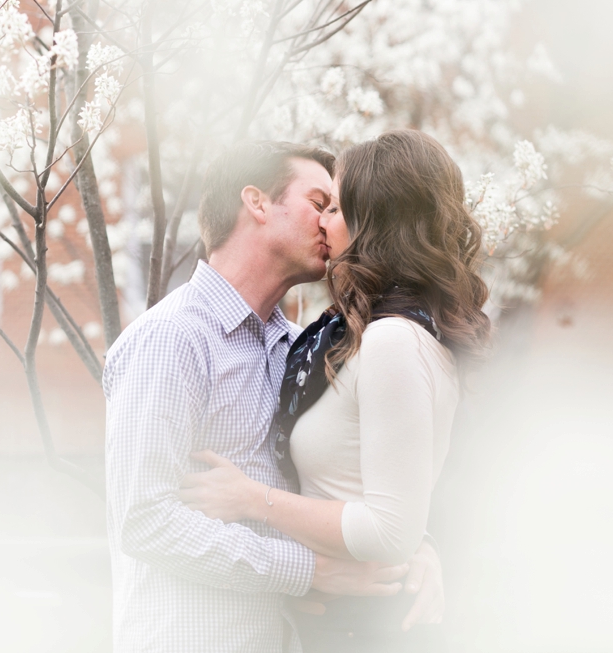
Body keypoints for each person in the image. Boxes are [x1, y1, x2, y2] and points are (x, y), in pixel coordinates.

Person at [103, 140, 445, 653]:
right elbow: (145, 521)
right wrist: (309, 571)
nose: (332, 222)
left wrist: (412, 550)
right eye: (319, 203)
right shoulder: (172, 339)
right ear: (258, 203)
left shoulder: (297, 347)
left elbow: (330, 483)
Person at [178, 129, 492, 652]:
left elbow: (393, 529)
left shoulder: (394, 340)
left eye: (336, 208)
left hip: (365, 629)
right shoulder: (359, 334)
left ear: (375, 224)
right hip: (337, 620)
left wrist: (252, 500)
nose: (322, 221)